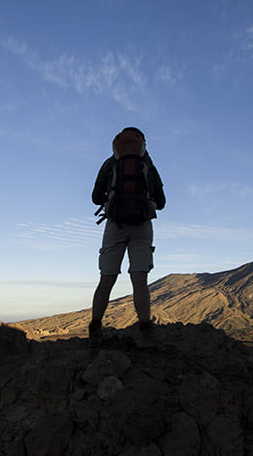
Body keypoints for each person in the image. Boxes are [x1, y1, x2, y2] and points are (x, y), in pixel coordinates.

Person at [88, 126, 166, 348]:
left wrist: (113, 198)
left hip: (115, 225)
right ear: (143, 143)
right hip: (142, 226)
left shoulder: (110, 163)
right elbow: (161, 202)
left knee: (107, 278)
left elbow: (95, 198)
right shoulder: (148, 164)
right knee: (139, 278)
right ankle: (145, 329)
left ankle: (95, 328)